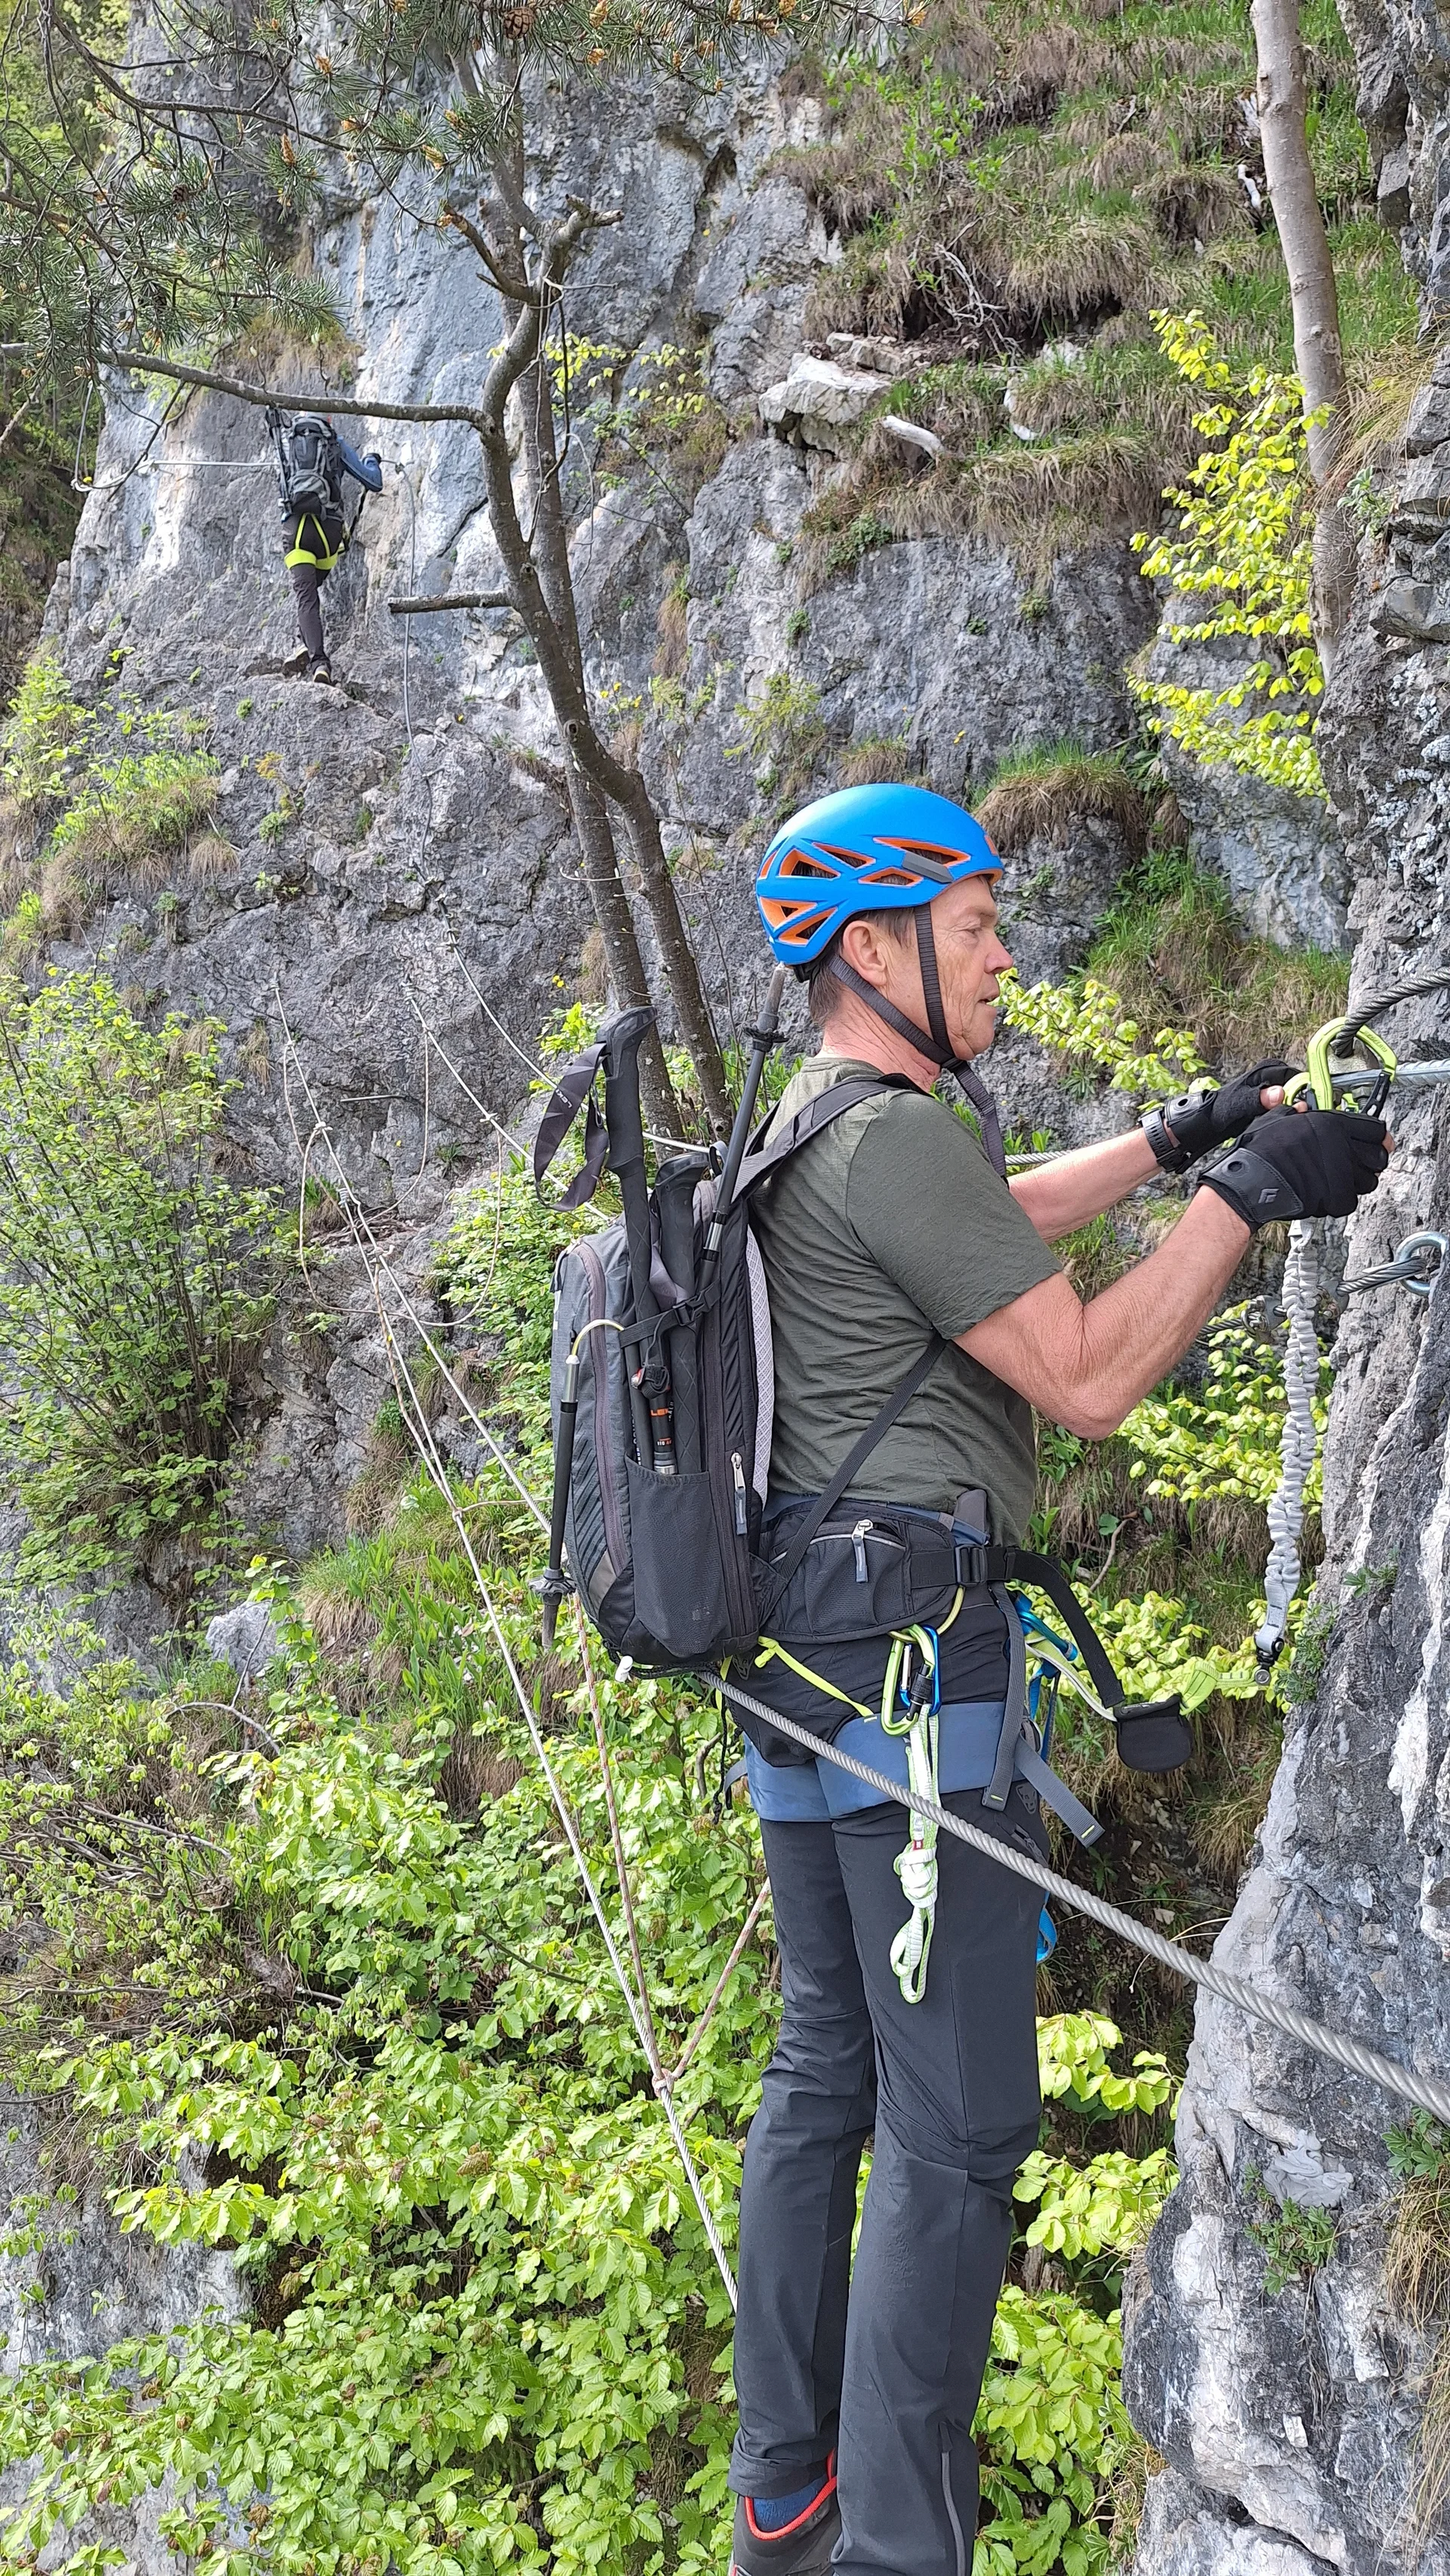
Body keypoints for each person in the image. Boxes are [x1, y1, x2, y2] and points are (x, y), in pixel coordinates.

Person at [727, 780, 1390, 2576]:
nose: (1006, 953)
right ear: (874, 948)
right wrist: (1248, 1200)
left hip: (800, 1682)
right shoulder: (888, 1135)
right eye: (974, 926)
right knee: (959, 2128)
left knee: (821, 2078)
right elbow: (1086, 1374)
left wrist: (1175, 1143)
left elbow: (982, 1218)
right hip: (912, 1702)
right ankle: (888, 2561)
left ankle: (784, 2495)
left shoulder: (821, 1124)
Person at [271, 412, 384, 686]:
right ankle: (308, 647)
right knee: (312, 590)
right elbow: (373, 482)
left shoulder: (288, 443)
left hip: (296, 530)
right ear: (329, 421)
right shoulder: (334, 444)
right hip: (327, 532)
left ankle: (318, 660)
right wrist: (373, 459)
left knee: (305, 597)